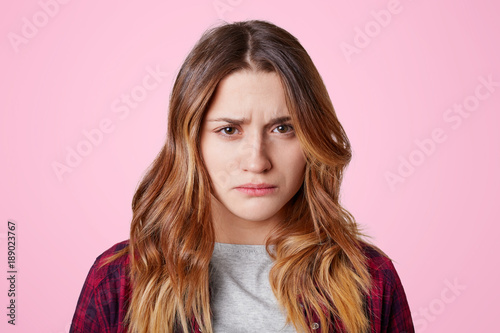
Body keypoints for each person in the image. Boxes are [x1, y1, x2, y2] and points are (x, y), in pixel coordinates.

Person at [69, 20, 414, 333]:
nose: (257, 161)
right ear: (191, 141)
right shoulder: (118, 281)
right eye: (230, 129)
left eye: (283, 128)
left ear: (312, 137)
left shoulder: (370, 280)